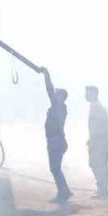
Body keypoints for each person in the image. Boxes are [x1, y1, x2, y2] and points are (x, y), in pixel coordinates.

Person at [42, 69, 72, 203]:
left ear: (60, 96)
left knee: (55, 168)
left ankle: (64, 192)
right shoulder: (59, 106)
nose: (54, 93)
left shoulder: (57, 105)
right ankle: (64, 191)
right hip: (57, 141)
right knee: (56, 168)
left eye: (56, 92)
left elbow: (49, 89)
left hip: (56, 141)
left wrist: (46, 74)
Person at [85, 85, 108, 198]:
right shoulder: (95, 107)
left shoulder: (98, 108)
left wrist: (94, 140)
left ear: (94, 94)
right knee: (98, 164)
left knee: (98, 165)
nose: (85, 95)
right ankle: (102, 188)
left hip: (99, 141)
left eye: (87, 93)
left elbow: (100, 127)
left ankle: (103, 189)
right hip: (98, 140)